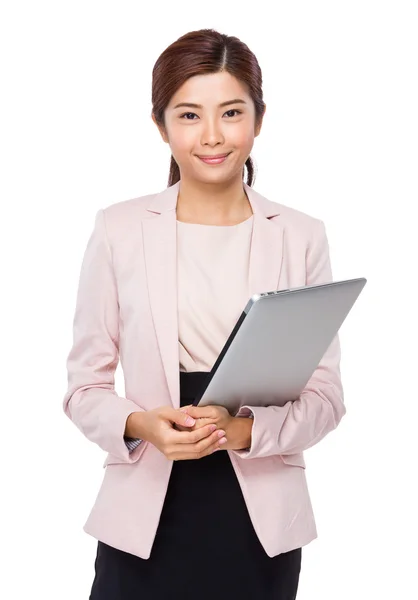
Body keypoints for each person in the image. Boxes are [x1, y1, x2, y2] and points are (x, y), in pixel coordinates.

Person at [63, 28, 346, 600]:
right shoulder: (118, 230)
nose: (212, 136)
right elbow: (83, 389)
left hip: (257, 516)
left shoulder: (300, 235)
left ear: (259, 120)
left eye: (232, 112)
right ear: (161, 125)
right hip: (145, 510)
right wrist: (142, 424)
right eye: (189, 115)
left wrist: (243, 431)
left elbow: (326, 398)